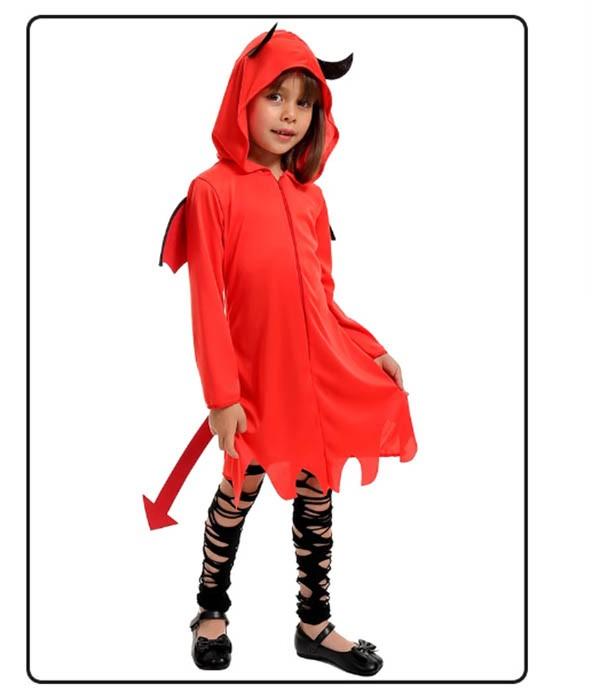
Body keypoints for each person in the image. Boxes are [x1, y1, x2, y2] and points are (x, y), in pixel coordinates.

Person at [160, 24, 418, 676]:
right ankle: (210, 612)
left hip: (317, 378)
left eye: (304, 102)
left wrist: (369, 348)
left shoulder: (311, 199)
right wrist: (222, 396)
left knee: (317, 496)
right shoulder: (212, 191)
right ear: (242, 98)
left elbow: (322, 299)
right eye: (275, 96)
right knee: (236, 495)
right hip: (255, 383)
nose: (289, 115)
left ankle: (314, 624)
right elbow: (207, 306)